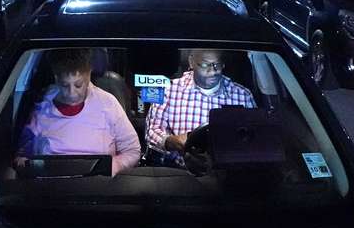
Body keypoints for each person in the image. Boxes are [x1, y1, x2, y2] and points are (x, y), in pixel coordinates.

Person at [15, 48, 141, 176]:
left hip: (96, 185)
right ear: (56, 78)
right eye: (65, 85)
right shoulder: (42, 107)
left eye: (78, 85)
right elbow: (24, 153)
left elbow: (132, 150)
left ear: (89, 75)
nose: (72, 93)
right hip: (52, 186)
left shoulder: (107, 104)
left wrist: (112, 167)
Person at [145, 48, 256, 167]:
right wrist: (172, 141)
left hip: (228, 173)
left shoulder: (242, 95)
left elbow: (255, 137)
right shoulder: (169, 90)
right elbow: (152, 130)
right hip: (180, 172)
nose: (212, 71)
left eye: (217, 64)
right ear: (191, 62)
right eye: (204, 64)